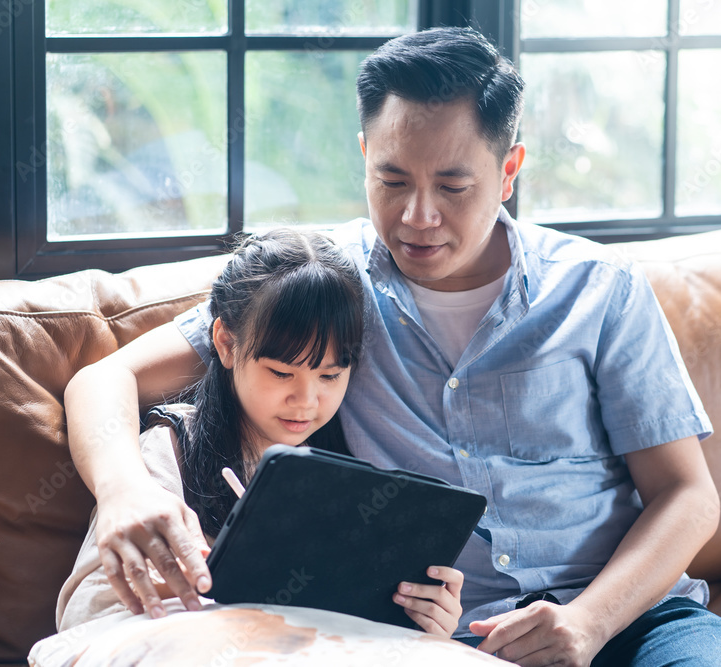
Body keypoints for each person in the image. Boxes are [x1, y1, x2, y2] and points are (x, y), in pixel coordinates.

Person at [64, 27, 721, 665]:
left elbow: (687, 495)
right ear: (365, 154)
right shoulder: (324, 284)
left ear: (511, 168)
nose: (417, 217)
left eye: (454, 185)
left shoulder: (601, 289)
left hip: (635, 619)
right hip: (436, 639)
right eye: (392, 180)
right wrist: (124, 489)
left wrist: (587, 621)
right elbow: (104, 379)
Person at [58, 229, 465, 638]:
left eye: (330, 375)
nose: (306, 400)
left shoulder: (352, 482)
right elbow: (90, 614)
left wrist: (424, 625)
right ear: (226, 344)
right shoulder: (170, 449)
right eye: (281, 372)